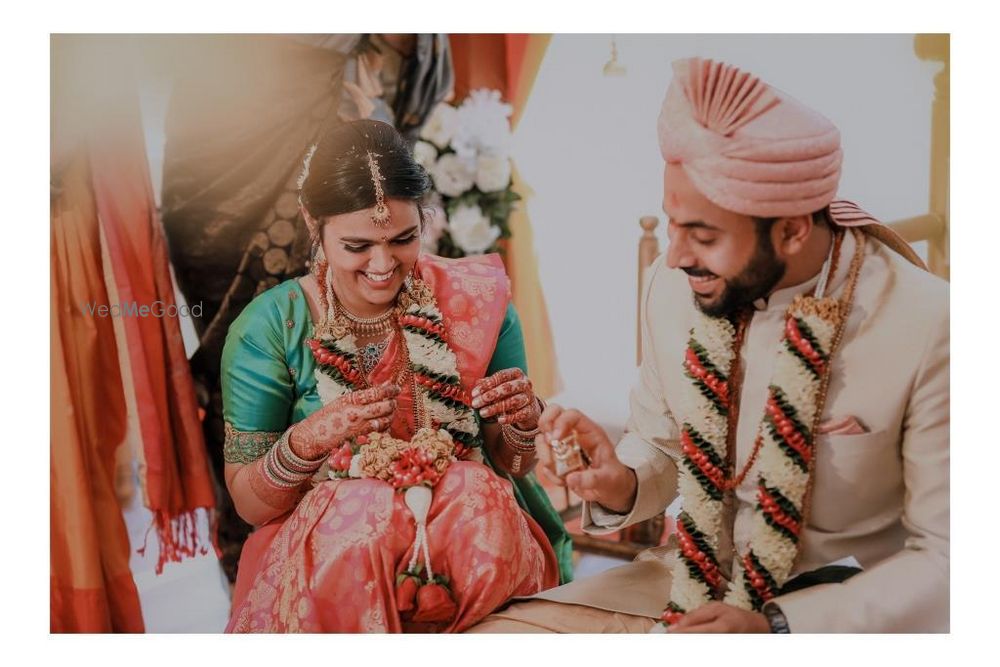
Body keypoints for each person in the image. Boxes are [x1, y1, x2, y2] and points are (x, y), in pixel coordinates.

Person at [469, 57, 949, 633]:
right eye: (673, 225)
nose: (674, 257)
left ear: (793, 229)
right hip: (683, 582)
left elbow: (949, 558)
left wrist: (775, 627)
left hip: (847, 608)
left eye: (703, 235)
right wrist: (621, 482)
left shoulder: (930, 322)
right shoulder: (674, 287)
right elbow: (665, 447)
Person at [221, 119, 571, 633]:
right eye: (357, 245)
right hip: (335, 553)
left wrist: (521, 424)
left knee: (477, 487)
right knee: (363, 507)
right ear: (311, 221)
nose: (383, 265)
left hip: (466, 535)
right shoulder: (270, 327)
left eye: (404, 239)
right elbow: (249, 504)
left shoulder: (477, 301)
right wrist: (308, 441)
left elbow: (513, 464)